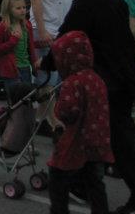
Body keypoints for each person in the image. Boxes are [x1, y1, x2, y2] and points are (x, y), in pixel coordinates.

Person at [57, 0, 135, 214]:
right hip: (124, 81)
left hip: (103, 85)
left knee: (98, 140)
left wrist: (47, 66)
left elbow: (66, 39)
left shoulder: (86, 5)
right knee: (119, 143)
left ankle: (133, 198)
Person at [46, 30, 113, 214]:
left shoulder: (73, 82)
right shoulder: (96, 78)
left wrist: (58, 110)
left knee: (58, 179)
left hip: (76, 139)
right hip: (97, 138)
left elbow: (67, 111)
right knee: (95, 183)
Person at [0, 0, 37, 88]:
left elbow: (31, 46)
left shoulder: (27, 25)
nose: (23, 10)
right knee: (16, 98)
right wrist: (13, 41)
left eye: (24, 7)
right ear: (8, 10)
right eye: (18, 8)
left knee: (26, 96)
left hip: (25, 66)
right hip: (10, 69)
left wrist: (34, 63)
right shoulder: (3, 27)